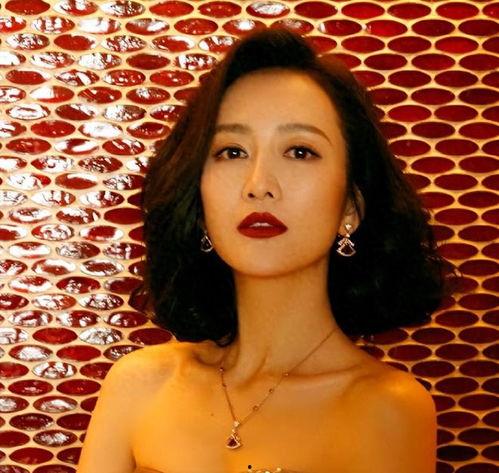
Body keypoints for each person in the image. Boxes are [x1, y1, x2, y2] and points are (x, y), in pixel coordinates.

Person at [77, 27, 460, 473]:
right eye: (231, 151)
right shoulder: (139, 385)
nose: (258, 185)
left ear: (350, 207)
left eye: (299, 151)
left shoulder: (386, 408)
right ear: (199, 200)